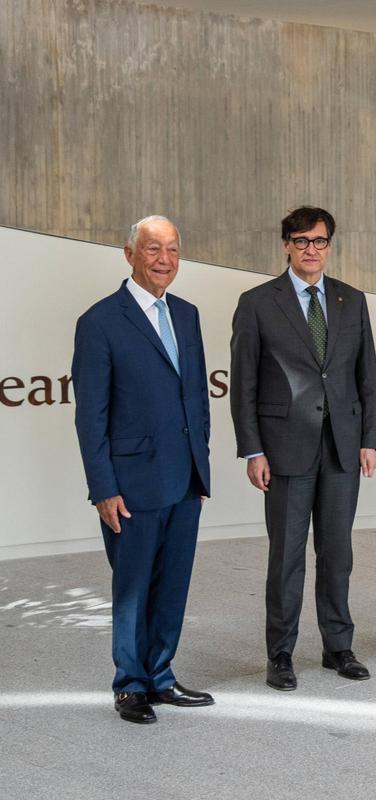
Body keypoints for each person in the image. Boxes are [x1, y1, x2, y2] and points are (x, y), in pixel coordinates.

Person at [230, 206, 376, 690]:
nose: (310, 250)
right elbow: (245, 384)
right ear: (286, 246)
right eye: (301, 241)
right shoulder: (257, 302)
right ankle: (281, 654)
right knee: (287, 557)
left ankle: (338, 647)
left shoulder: (351, 300)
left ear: (329, 245)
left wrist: (370, 440)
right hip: (284, 449)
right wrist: (253, 450)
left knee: (338, 553)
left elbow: (367, 377)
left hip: (342, 446)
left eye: (319, 241)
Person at [72, 215, 214, 724]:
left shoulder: (189, 314)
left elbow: (195, 397)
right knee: (132, 587)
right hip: (130, 484)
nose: (165, 260)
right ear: (129, 254)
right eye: (153, 249)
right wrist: (103, 488)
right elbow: (91, 417)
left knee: (173, 584)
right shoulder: (100, 322)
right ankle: (129, 684)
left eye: (173, 250)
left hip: (184, 479)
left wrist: (202, 464)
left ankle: (160, 675)